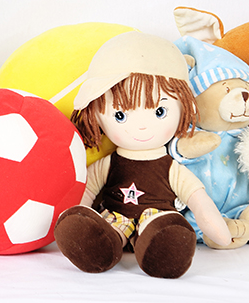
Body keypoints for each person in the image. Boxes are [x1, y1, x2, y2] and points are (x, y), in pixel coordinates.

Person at [52, 32, 231, 279]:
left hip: (157, 217)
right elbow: (87, 190)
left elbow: (197, 199)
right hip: (115, 217)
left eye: (159, 111)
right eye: (120, 115)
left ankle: (163, 248)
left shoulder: (171, 168)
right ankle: (98, 248)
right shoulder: (109, 164)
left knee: (165, 233)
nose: (142, 127)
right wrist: (78, 214)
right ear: (96, 117)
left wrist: (217, 231)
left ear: (184, 108)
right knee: (101, 232)